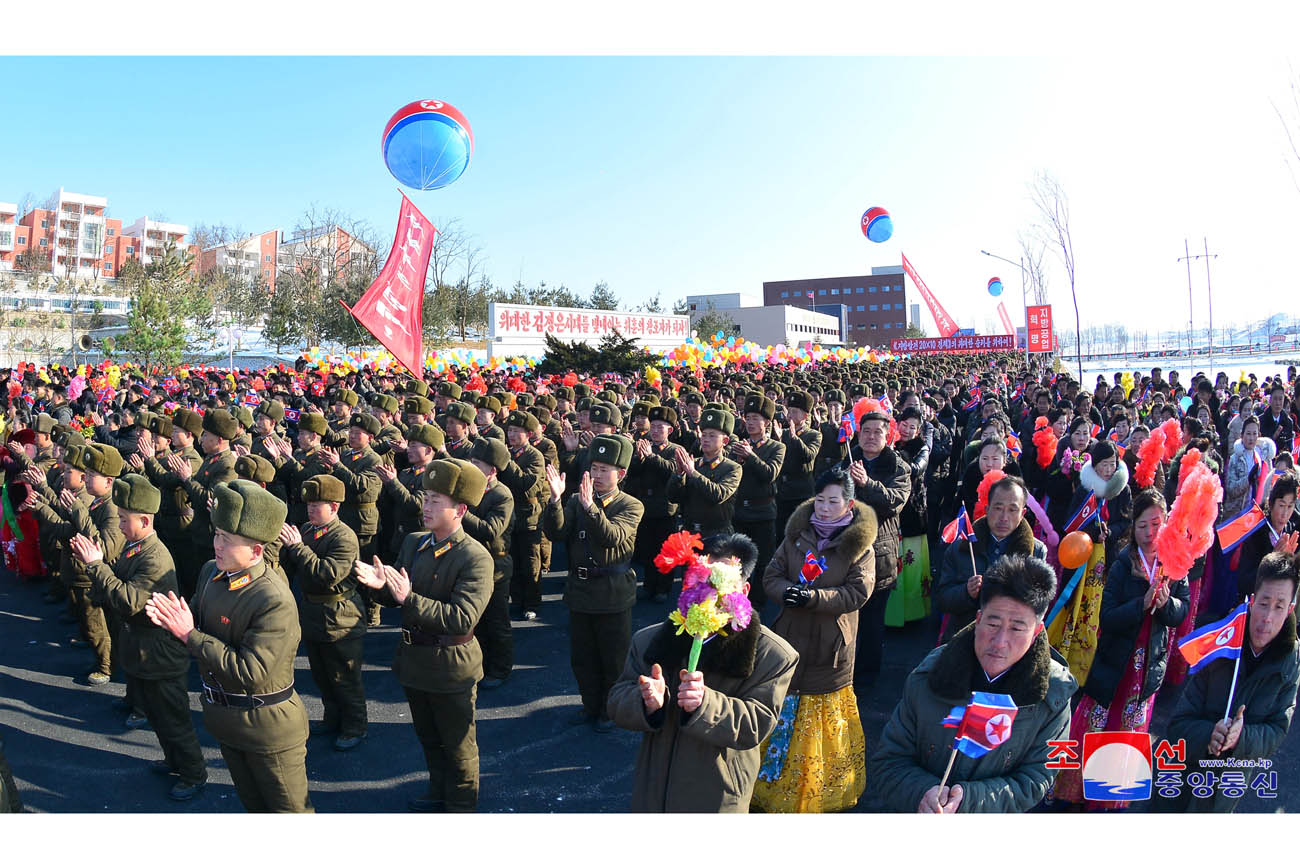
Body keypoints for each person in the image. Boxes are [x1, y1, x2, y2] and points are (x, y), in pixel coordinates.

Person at [146, 479, 312, 813]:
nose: (217, 545)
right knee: (253, 808)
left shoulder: (273, 598)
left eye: (228, 540)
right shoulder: (212, 573)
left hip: (268, 730)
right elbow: (191, 618)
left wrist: (188, 635)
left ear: (256, 551)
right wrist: (170, 622)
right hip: (227, 722)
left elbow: (251, 673)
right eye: (217, 535)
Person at [605, 533, 799, 812]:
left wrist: (705, 704)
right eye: (698, 580)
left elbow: (756, 724)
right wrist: (646, 702)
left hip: (717, 795)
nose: (706, 593)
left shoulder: (772, 654)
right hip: (655, 790)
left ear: (743, 591)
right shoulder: (650, 641)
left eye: (718, 583)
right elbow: (616, 700)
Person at [870, 554, 1077, 812]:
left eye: (1016, 628)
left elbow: (1036, 780)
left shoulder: (1053, 694)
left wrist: (966, 800)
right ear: (978, 619)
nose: (1000, 641)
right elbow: (888, 762)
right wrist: (922, 792)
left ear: (1036, 632)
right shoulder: (931, 673)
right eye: (993, 623)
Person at [354, 458, 493, 813]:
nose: (425, 506)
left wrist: (407, 597)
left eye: (435, 501)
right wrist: (379, 587)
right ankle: (437, 788)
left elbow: (462, 618)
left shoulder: (475, 557)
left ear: (460, 510)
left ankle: (461, 804)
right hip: (415, 662)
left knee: (459, 745)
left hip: (451, 666)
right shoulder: (415, 542)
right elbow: (397, 594)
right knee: (429, 739)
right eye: (426, 497)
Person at [70, 472, 207, 800]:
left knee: (174, 721)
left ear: (145, 521)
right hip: (143, 650)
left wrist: (95, 566)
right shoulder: (136, 547)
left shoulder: (154, 557)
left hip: (159, 653)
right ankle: (174, 762)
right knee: (159, 718)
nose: (118, 524)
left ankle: (193, 773)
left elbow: (130, 601)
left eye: (124, 519)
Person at [1049, 489, 1189, 809]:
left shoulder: (1173, 561)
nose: (1150, 533)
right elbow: (1107, 617)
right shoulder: (1124, 562)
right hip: (1116, 659)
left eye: (1156, 523)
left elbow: (1182, 611)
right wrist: (1141, 603)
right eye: (1142, 526)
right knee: (1096, 722)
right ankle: (1071, 789)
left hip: (1148, 664)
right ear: (1133, 527)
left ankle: (1108, 795)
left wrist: (1168, 605)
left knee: (1128, 728)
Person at [751, 467, 874, 812]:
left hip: (831, 645)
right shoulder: (796, 535)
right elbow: (772, 575)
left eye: (832, 501)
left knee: (820, 717)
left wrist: (814, 599)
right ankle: (773, 783)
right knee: (784, 705)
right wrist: (787, 592)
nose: (823, 508)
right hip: (790, 636)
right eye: (820, 500)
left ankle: (819, 789)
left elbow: (857, 592)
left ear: (848, 504)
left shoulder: (859, 544)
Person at [1158, 552, 1300, 812]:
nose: (1267, 618)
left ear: (1290, 609)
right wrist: (1210, 734)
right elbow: (1178, 725)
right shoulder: (1222, 640)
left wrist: (1240, 738)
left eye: (1279, 606)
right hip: (1181, 778)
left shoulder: (1290, 661)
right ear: (1253, 601)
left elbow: (1277, 730)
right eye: (1264, 603)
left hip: (1228, 787)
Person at [544, 434, 643, 731]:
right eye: (594, 468)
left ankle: (609, 710)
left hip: (612, 593)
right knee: (583, 657)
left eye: (604, 469)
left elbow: (612, 536)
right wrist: (555, 500)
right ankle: (590, 705)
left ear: (620, 474)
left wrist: (590, 508)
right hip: (581, 590)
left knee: (612, 659)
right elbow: (557, 533)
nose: (597, 475)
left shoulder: (630, 505)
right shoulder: (577, 499)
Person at [277, 475, 367, 752]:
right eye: (309, 504)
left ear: (335, 507)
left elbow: (327, 574)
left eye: (318, 505)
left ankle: (355, 725)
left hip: (340, 616)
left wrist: (297, 547)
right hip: (314, 613)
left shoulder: (344, 536)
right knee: (321, 674)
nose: (311, 510)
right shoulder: (308, 529)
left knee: (344, 676)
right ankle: (332, 717)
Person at [27, 443, 126, 685]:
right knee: (89, 623)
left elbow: (102, 547)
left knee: (97, 626)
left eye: (92, 475)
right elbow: (71, 529)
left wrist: (77, 510)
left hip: (95, 576)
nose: (86, 478)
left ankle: (106, 665)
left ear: (110, 481)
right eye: (87, 474)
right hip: (83, 572)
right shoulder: (95, 502)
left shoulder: (110, 508)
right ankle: (102, 659)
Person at [1048, 439, 1131, 688]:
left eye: (1112, 464)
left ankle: (1090, 660)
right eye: (1104, 465)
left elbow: (1126, 520)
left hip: (1107, 558)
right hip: (1082, 556)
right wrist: (1093, 533)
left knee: (1100, 607)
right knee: (1074, 601)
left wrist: (1110, 532)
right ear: (1094, 465)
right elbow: (1071, 522)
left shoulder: (1121, 489)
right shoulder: (1086, 487)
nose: (1108, 469)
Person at [934, 476, 1047, 643]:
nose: (1004, 517)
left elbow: (1039, 607)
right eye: (998, 508)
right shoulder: (961, 547)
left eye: (1012, 510)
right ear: (987, 509)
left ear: (1023, 513)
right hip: (964, 638)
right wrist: (967, 592)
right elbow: (942, 599)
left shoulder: (1035, 552)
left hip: (1009, 643)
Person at [847, 411, 910, 685]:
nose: (871, 437)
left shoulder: (899, 467)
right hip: (846, 550)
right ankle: (843, 669)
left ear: (889, 436)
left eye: (877, 432)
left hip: (879, 551)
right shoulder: (847, 460)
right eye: (866, 432)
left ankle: (868, 676)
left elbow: (894, 502)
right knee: (846, 616)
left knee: (872, 622)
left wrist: (867, 484)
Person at [464, 438, 516, 689]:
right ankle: (481, 666)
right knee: (477, 621)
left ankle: (501, 668)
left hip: (496, 566)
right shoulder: (472, 488)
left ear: (492, 470)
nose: (471, 466)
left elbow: (490, 531)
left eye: (477, 463)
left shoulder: (501, 495)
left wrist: (463, 513)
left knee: (496, 621)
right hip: (472, 563)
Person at [729, 393, 786, 607]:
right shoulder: (738, 445)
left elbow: (770, 473)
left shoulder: (776, 447)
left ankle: (757, 605)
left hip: (763, 513)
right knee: (736, 561)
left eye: (756, 418)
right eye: (748, 417)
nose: (751, 422)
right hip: (739, 512)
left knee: (762, 562)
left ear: (767, 422)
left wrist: (751, 456)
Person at [667, 405, 742, 538]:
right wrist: (679, 475)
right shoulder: (693, 462)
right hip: (689, 532)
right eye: (704, 435)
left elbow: (718, 494)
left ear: (725, 441)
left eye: (712, 436)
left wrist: (692, 473)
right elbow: (673, 497)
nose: (706, 439)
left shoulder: (732, 468)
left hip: (717, 535)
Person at [889, 405, 931, 626]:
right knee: (892, 566)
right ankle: (892, 615)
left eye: (912, 427)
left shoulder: (922, 447)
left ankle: (913, 614)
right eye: (904, 425)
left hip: (913, 512)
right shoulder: (890, 442)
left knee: (911, 566)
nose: (907, 430)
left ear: (918, 430)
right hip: (892, 513)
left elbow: (916, 468)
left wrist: (895, 457)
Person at [1222, 415, 1276, 517]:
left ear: (1259, 435)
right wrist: (1248, 479)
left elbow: (1268, 486)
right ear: (1242, 435)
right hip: (1236, 514)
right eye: (1248, 434)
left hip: (1255, 513)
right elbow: (1231, 488)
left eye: (1254, 434)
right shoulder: (1235, 458)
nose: (1251, 438)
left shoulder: (1263, 458)